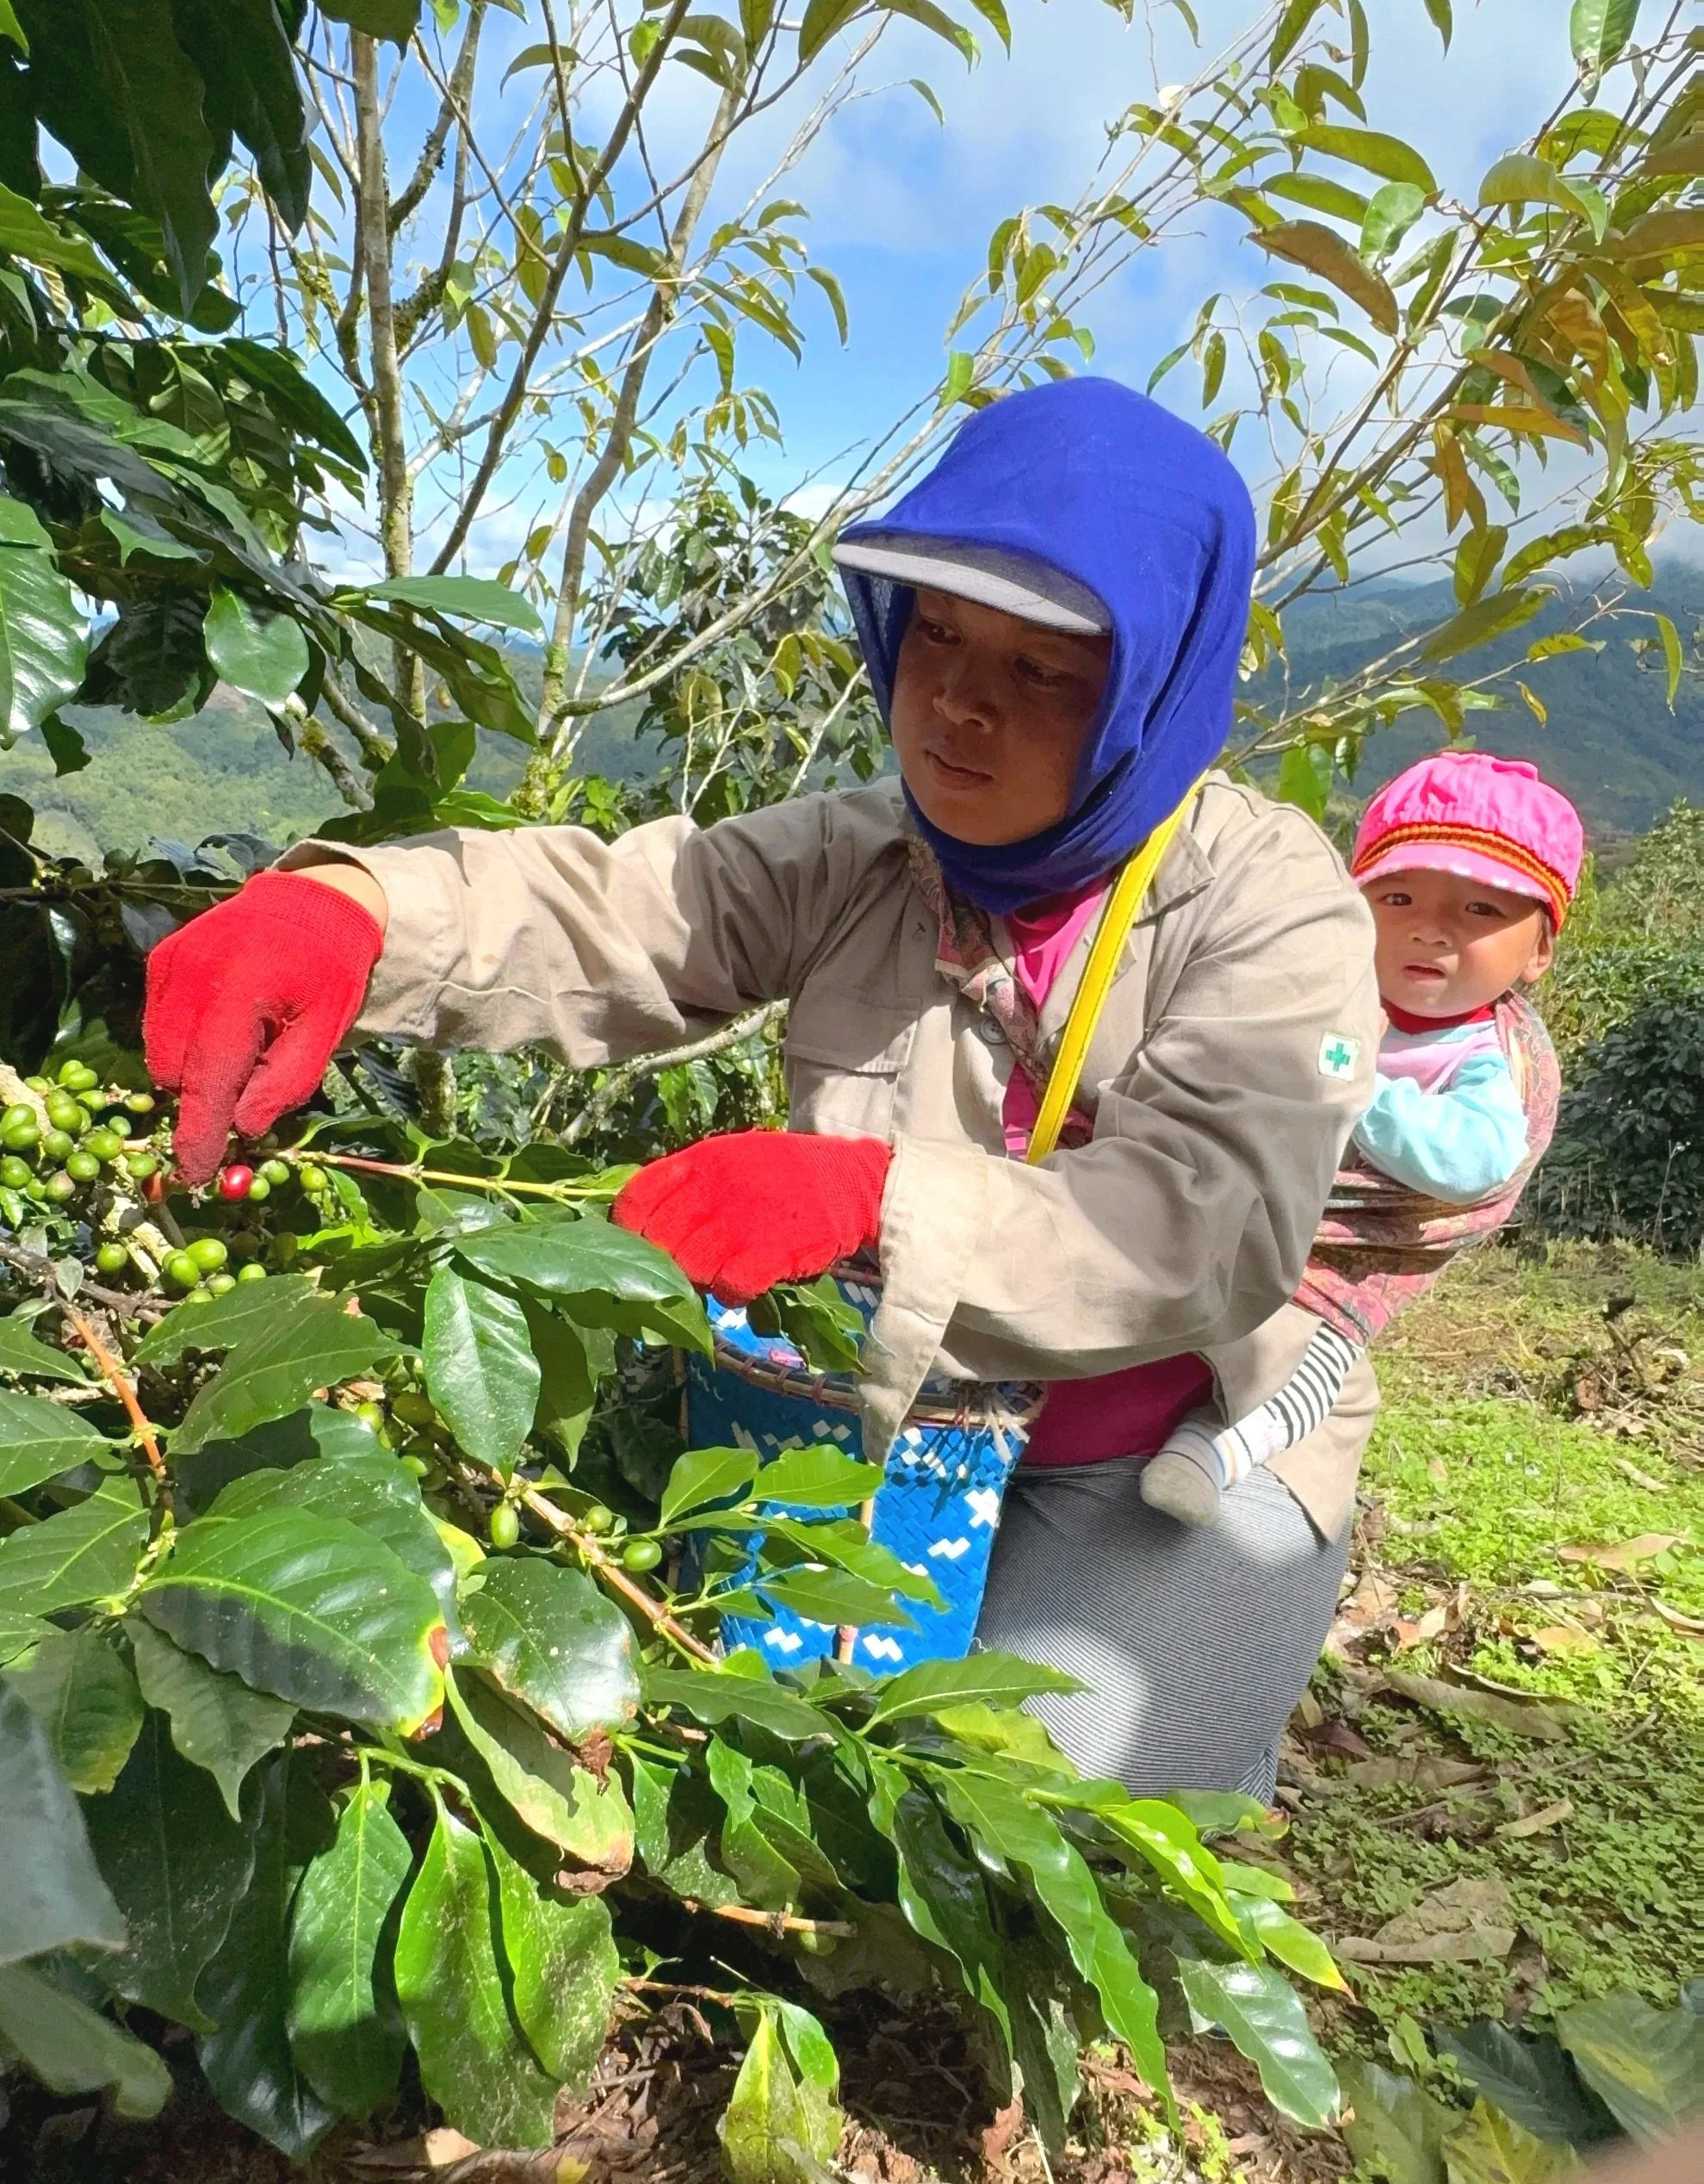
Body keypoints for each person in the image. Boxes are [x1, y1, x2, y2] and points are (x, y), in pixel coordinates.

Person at [143, 375, 1381, 1801]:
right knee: (776, 1763)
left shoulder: (1268, 905)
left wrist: (868, 1194)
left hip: (1153, 1452)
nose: (960, 708)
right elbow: (623, 911)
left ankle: (1215, 1697)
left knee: (1037, 1790)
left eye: (1043, 670)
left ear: (1155, 678)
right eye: (936, 636)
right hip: (887, 1412)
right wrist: (356, 915)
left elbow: (1214, 1222)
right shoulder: (866, 852)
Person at [1139, 751, 1581, 1527]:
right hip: (1232, 1209)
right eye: (1399, 896)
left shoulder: (1479, 1057)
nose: (1430, 931)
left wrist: (1358, 1092)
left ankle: (1214, 1452)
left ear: (1538, 949)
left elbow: (1472, 1160)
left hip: (1338, 1266)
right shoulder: (1322, 991)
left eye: (1481, 912)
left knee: (1316, 1365)